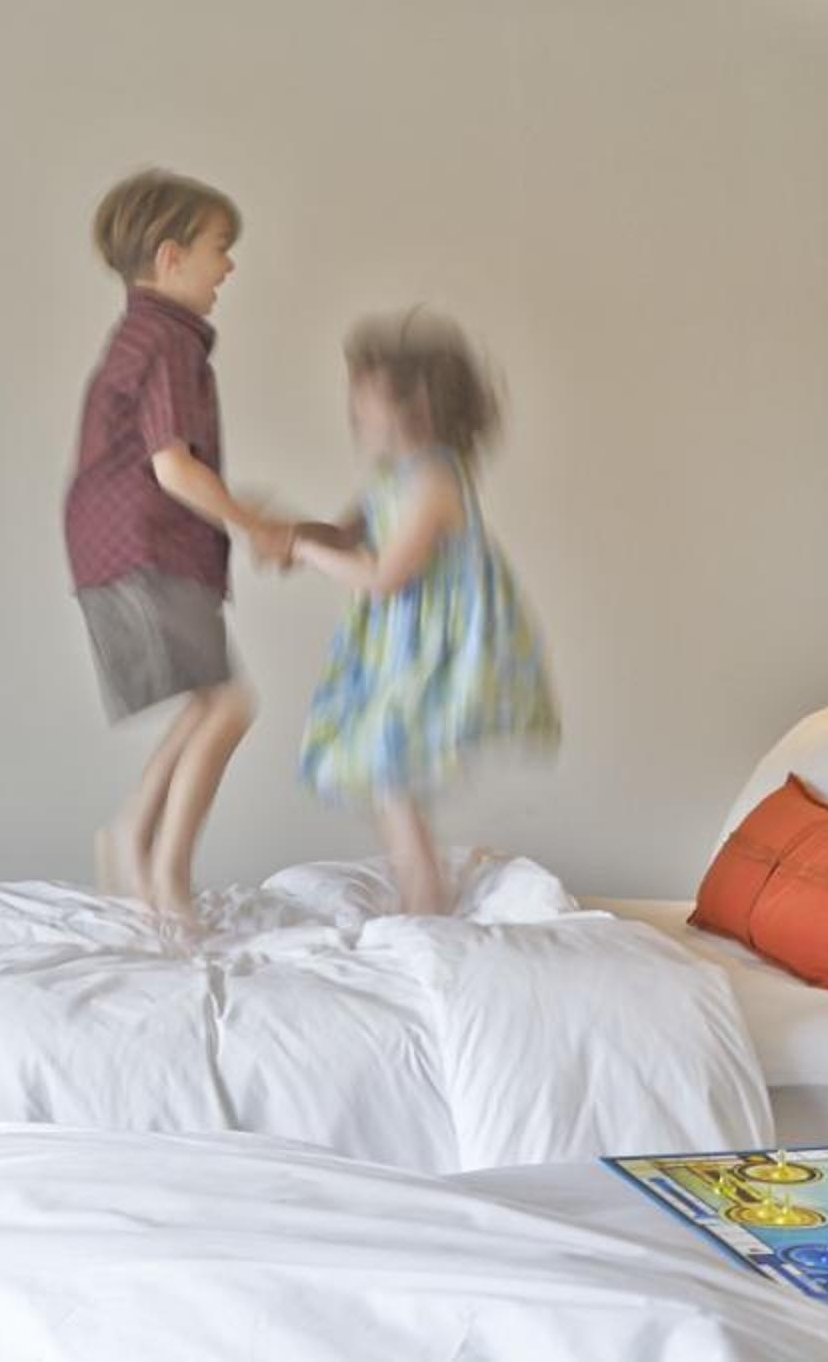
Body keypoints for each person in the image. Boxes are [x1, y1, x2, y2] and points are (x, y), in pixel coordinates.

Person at [64, 169, 296, 924]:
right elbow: (172, 467)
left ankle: (131, 837)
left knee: (211, 699)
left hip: (121, 543)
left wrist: (239, 513)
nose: (228, 266)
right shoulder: (168, 340)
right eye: (218, 248)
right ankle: (165, 872)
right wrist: (253, 524)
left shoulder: (142, 335)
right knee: (229, 705)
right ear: (171, 257)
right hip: (145, 543)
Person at [288, 309, 559, 916]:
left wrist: (305, 552)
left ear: (417, 408)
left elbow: (384, 576)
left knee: (387, 771)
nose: (354, 407)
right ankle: (423, 895)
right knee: (384, 774)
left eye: (367, 395)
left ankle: (425, 904)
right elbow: (344, 533)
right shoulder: (391, 476)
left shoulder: (435, 482)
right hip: (395, 645)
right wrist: (291, 532)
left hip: (435, 649)